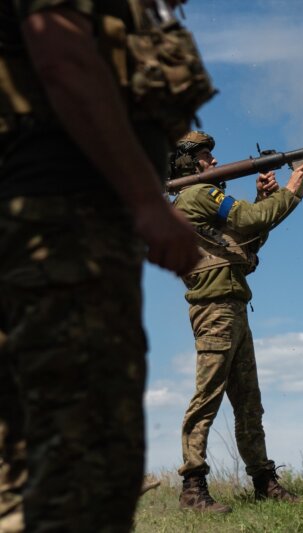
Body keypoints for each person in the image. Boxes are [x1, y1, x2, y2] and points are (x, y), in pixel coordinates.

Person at [0, 1, 213, 531]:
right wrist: (146, 200)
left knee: (28, 470)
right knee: (87, 468)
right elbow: (64, 58)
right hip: (64, 224)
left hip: (49, 226)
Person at [169, 131, 303, 513]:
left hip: (229, 307)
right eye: (204, 157)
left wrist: (267, 197)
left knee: (249, 402)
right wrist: (295, 187)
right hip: (216, 310)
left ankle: (263, 481)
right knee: (208, 398)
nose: (213, 162)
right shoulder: (198, 194)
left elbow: (246, 242)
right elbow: (253, 220)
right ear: (186, 163)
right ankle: (192, 487)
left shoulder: (198, 199)